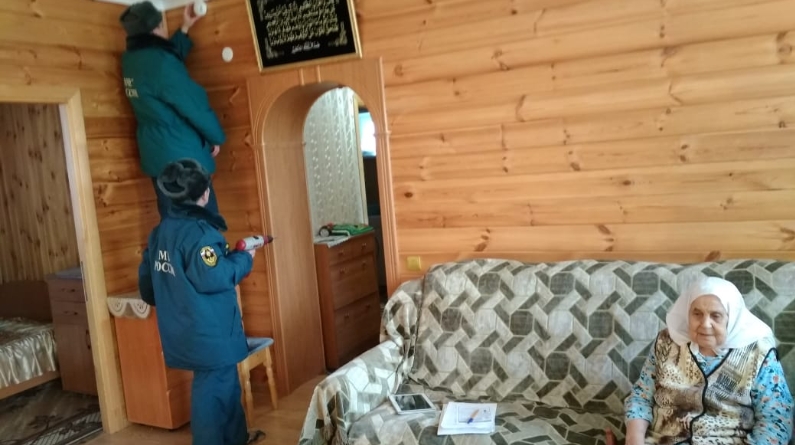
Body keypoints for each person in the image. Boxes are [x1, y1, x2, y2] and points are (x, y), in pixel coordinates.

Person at [138, 159, 264, 445]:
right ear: (204, 194)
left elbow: (148, 288)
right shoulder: (200, 234)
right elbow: (215, 277)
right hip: (209, 333)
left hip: (182, 330)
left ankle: (237, 439)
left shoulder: (159, 234)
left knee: (226, 388)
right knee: (212, 394)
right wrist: (244, 259)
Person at [624, 277, 794, 445]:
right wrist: (633, 440)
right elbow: (641, 396)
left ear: (732, 317)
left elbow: (776, 418)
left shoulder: (759, 354)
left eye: (716, 316)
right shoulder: (666, 342)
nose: (705, 324)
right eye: (697, 314)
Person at [120, 1, 226, 218]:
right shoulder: (161, 64)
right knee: (202, 226)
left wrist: (185, 27)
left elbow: (163, 69)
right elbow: (194, 106)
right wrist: (215, 137)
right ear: (156, 28)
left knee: (174, 226)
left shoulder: (131, 61)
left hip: (158, 157)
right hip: (183, 161)